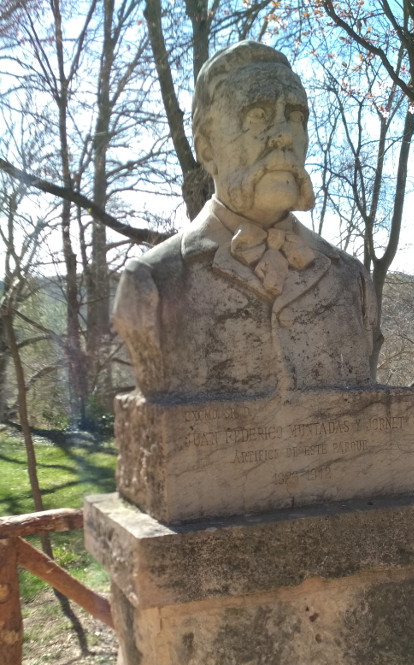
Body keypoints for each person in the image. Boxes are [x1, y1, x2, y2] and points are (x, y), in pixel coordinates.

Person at [113, 41, 376, 400]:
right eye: (258, 115)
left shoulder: (352, 281)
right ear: (206, 148)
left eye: (296, 116)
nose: (284, 134)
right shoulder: (152, 285)